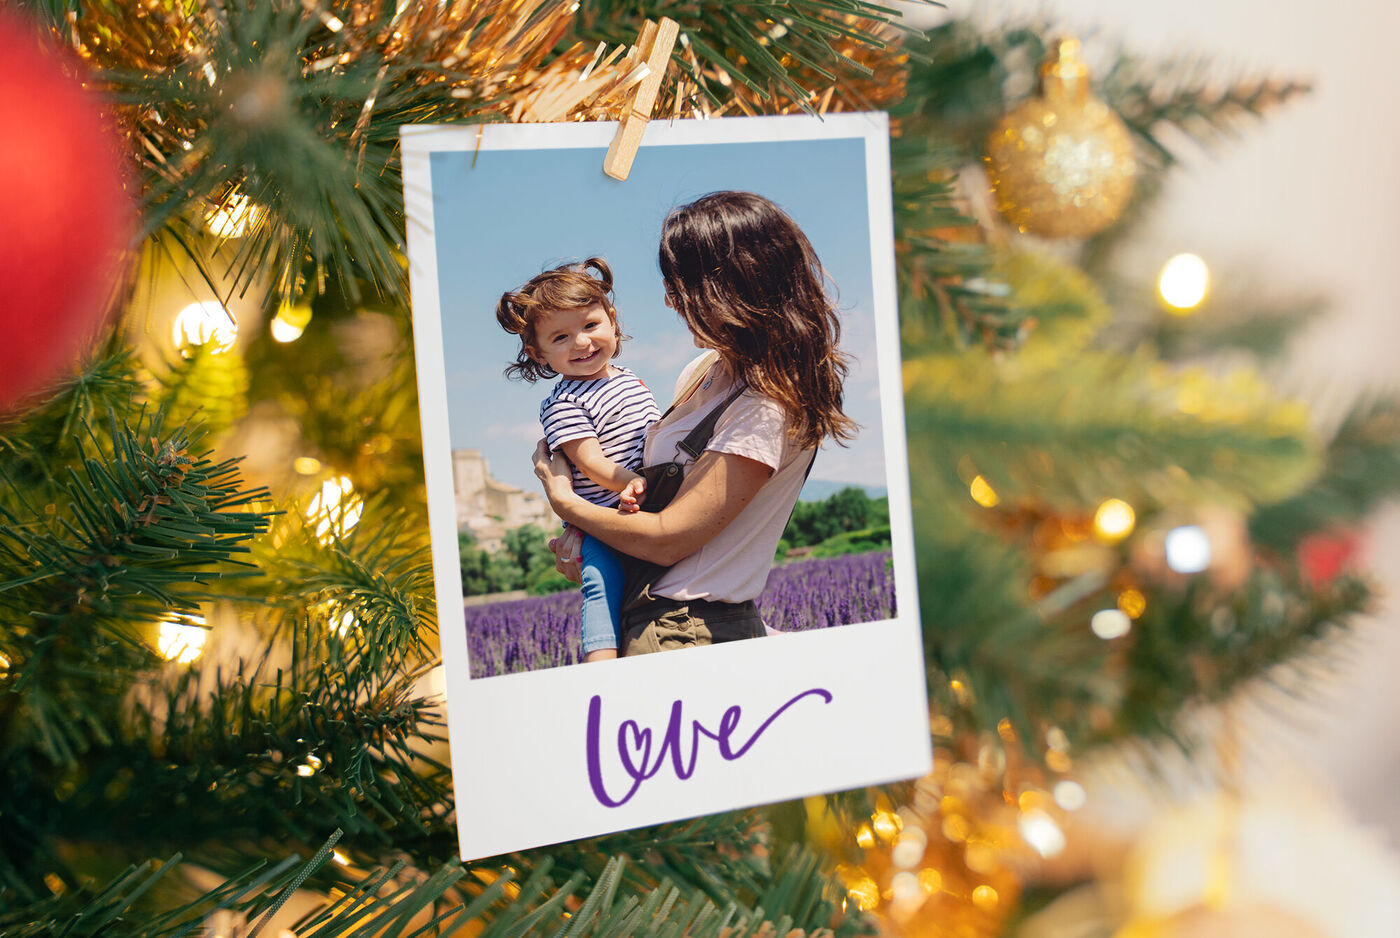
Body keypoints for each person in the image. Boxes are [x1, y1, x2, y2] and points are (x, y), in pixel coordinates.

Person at [533, 190, 855, 656]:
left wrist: (565, 501)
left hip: (682, 630)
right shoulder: (703, 371)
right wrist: (592, 536)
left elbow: (669, 540)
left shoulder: (766, 406)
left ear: (730, 287)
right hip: (650, 614)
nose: (669, 302)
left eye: (679, 286)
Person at [496, 258, 661, 662]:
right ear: (538, 354)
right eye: (561, 338)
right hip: (601, 519)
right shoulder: (564, 403)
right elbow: (590, 463)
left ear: (612, 320)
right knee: (601, 585)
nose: (582, 343)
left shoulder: (629, 378)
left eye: (590, 326)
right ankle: (600, 666)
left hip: (642, 498)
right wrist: (632, 481)